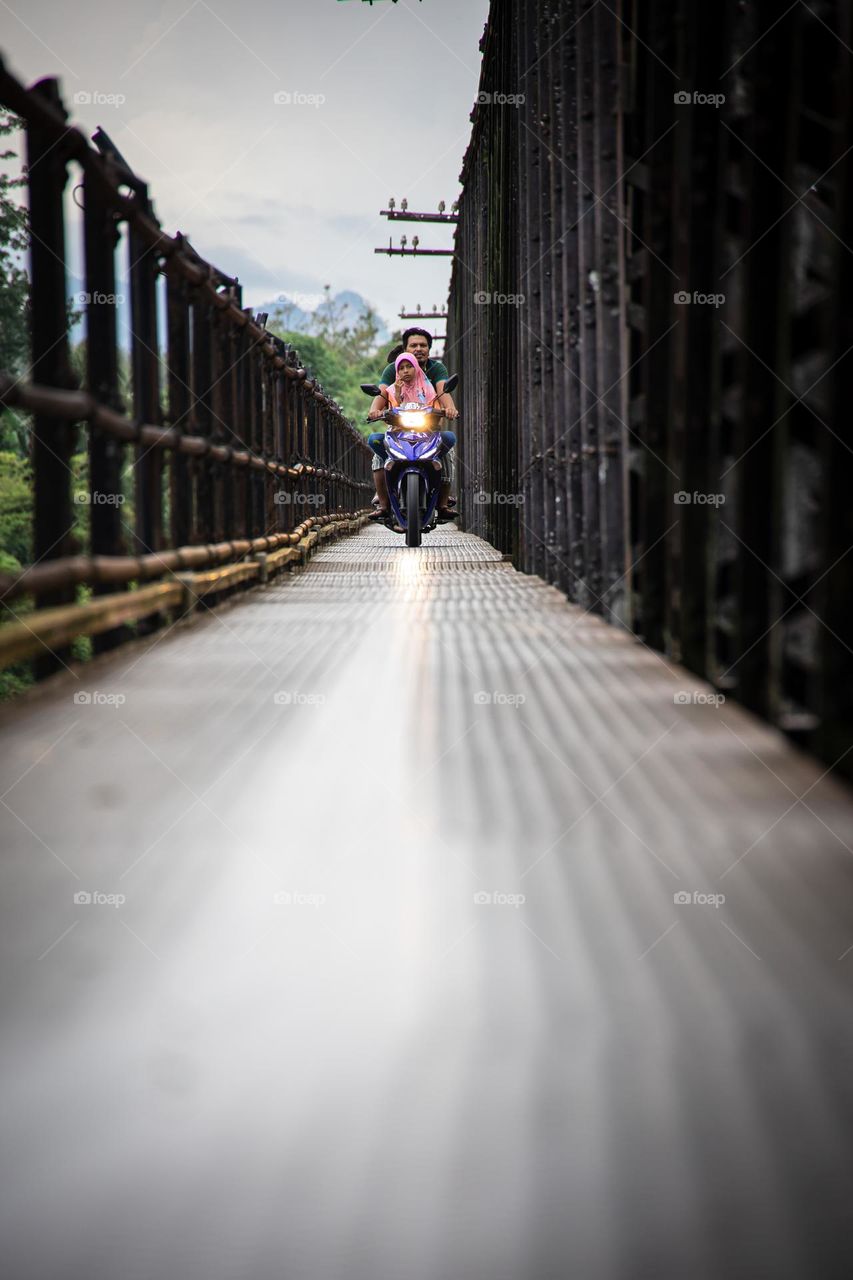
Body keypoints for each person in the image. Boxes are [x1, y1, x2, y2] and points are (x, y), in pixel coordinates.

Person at [367, 327, 459, 516]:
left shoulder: (435, 371)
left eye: (423, 345)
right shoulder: (395, 369)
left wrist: (450, 409)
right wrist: (374, 411)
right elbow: (383, 392)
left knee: (448, 445)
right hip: (398, 429)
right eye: (413, 345)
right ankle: (383, 503)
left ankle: (443, 502)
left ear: (429, 349)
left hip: (428, 429)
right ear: (405, 349)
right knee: (378, 445)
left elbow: (443, 392)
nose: (418, 349)